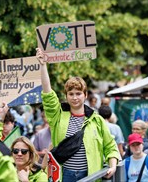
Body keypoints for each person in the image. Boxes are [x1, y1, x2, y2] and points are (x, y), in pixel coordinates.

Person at [36, 48, 120, 182]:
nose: (75, 97)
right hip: (64, 175)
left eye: (78, 93)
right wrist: (43, 65)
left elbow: (110, 146)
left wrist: (113, 165)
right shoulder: (58, 116)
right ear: (66, 96)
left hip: (91, 175)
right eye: (71, 94)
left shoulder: (96, 120)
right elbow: (47, 94)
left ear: (85, 95)